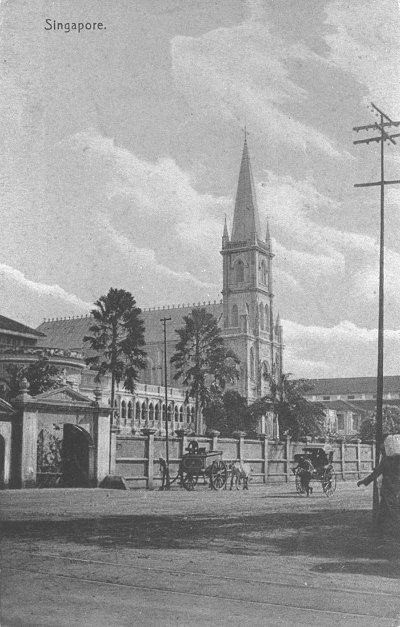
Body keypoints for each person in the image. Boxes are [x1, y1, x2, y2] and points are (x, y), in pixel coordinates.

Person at [357, 435, 400, 537]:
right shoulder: (397, 459)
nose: (381, 451)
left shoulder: (386, 460)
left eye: (382, 449)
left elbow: (376, 473)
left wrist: (364, 481)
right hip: (395, 489)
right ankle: (377, 530)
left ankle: (396, 532)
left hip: (389, 490)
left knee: (394, 512)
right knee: (383, 511)